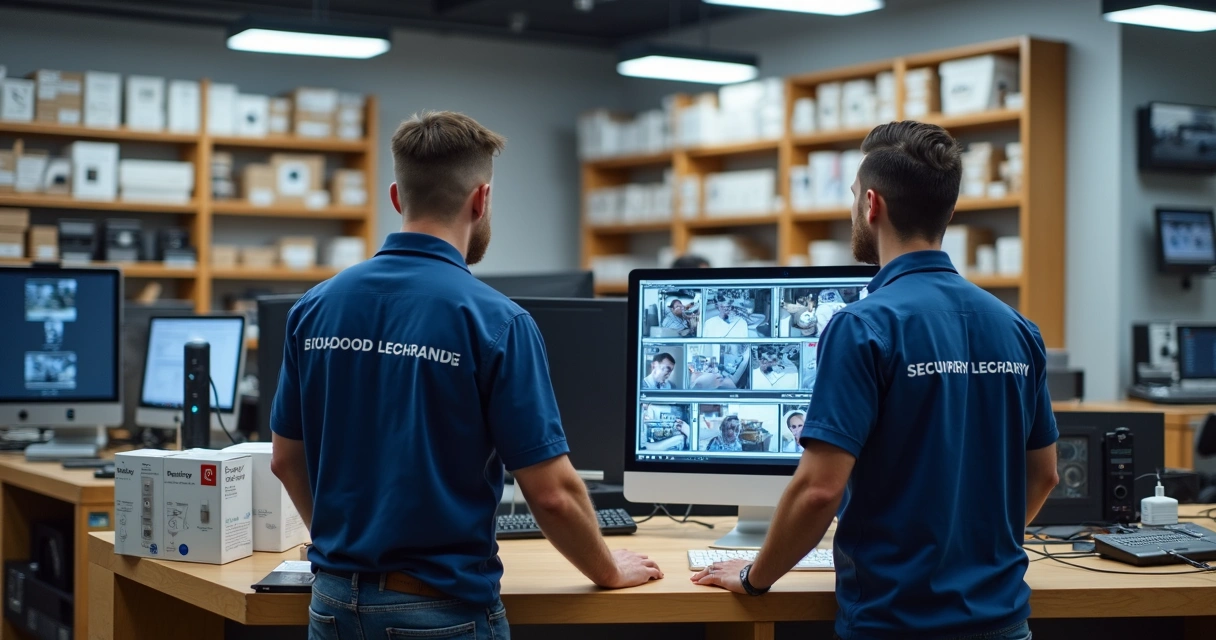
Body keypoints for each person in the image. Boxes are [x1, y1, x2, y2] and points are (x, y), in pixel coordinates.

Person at [270, 111, 662, 640]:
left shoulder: (314, 308)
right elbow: (552, 494)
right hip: (437, 612)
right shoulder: (495, 321)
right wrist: (608, 571)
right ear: (481, 200)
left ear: (396, 197)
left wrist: (344, 550)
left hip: (333, 602)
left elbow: (285, 459)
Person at [691, 121, 1059, 640]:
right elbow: (1044, 476)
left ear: (870, 204)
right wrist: (974, 553)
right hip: (1003, 622)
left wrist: (755, 577)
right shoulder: (1017, 328)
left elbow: (819, 491)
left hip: (896, 622)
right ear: (948, 212)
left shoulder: (864, 326)